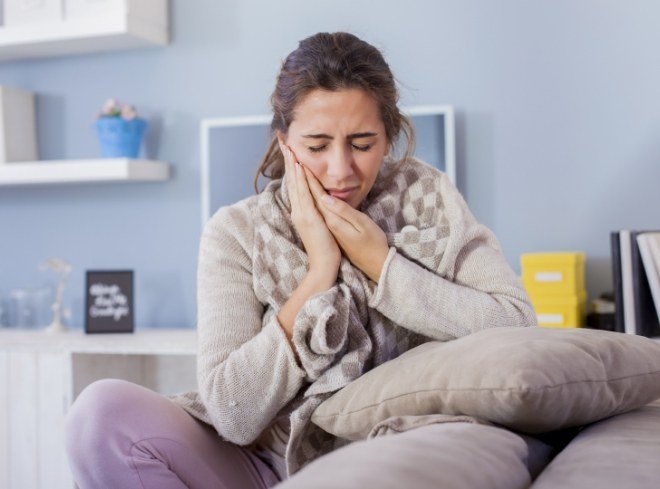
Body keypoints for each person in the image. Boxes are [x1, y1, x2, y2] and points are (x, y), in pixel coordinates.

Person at [64, 31, 536, 489]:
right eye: (316, 146)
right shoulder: (236, 231)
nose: (340, 170)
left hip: (388, 455)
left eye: (362, 143)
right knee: (98, 415)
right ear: (284, 142)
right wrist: (319, 275)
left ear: (389, 137)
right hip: (259, 462)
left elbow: (516, 323)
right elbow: (232, 414)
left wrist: (381, 265)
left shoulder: (430, 203)